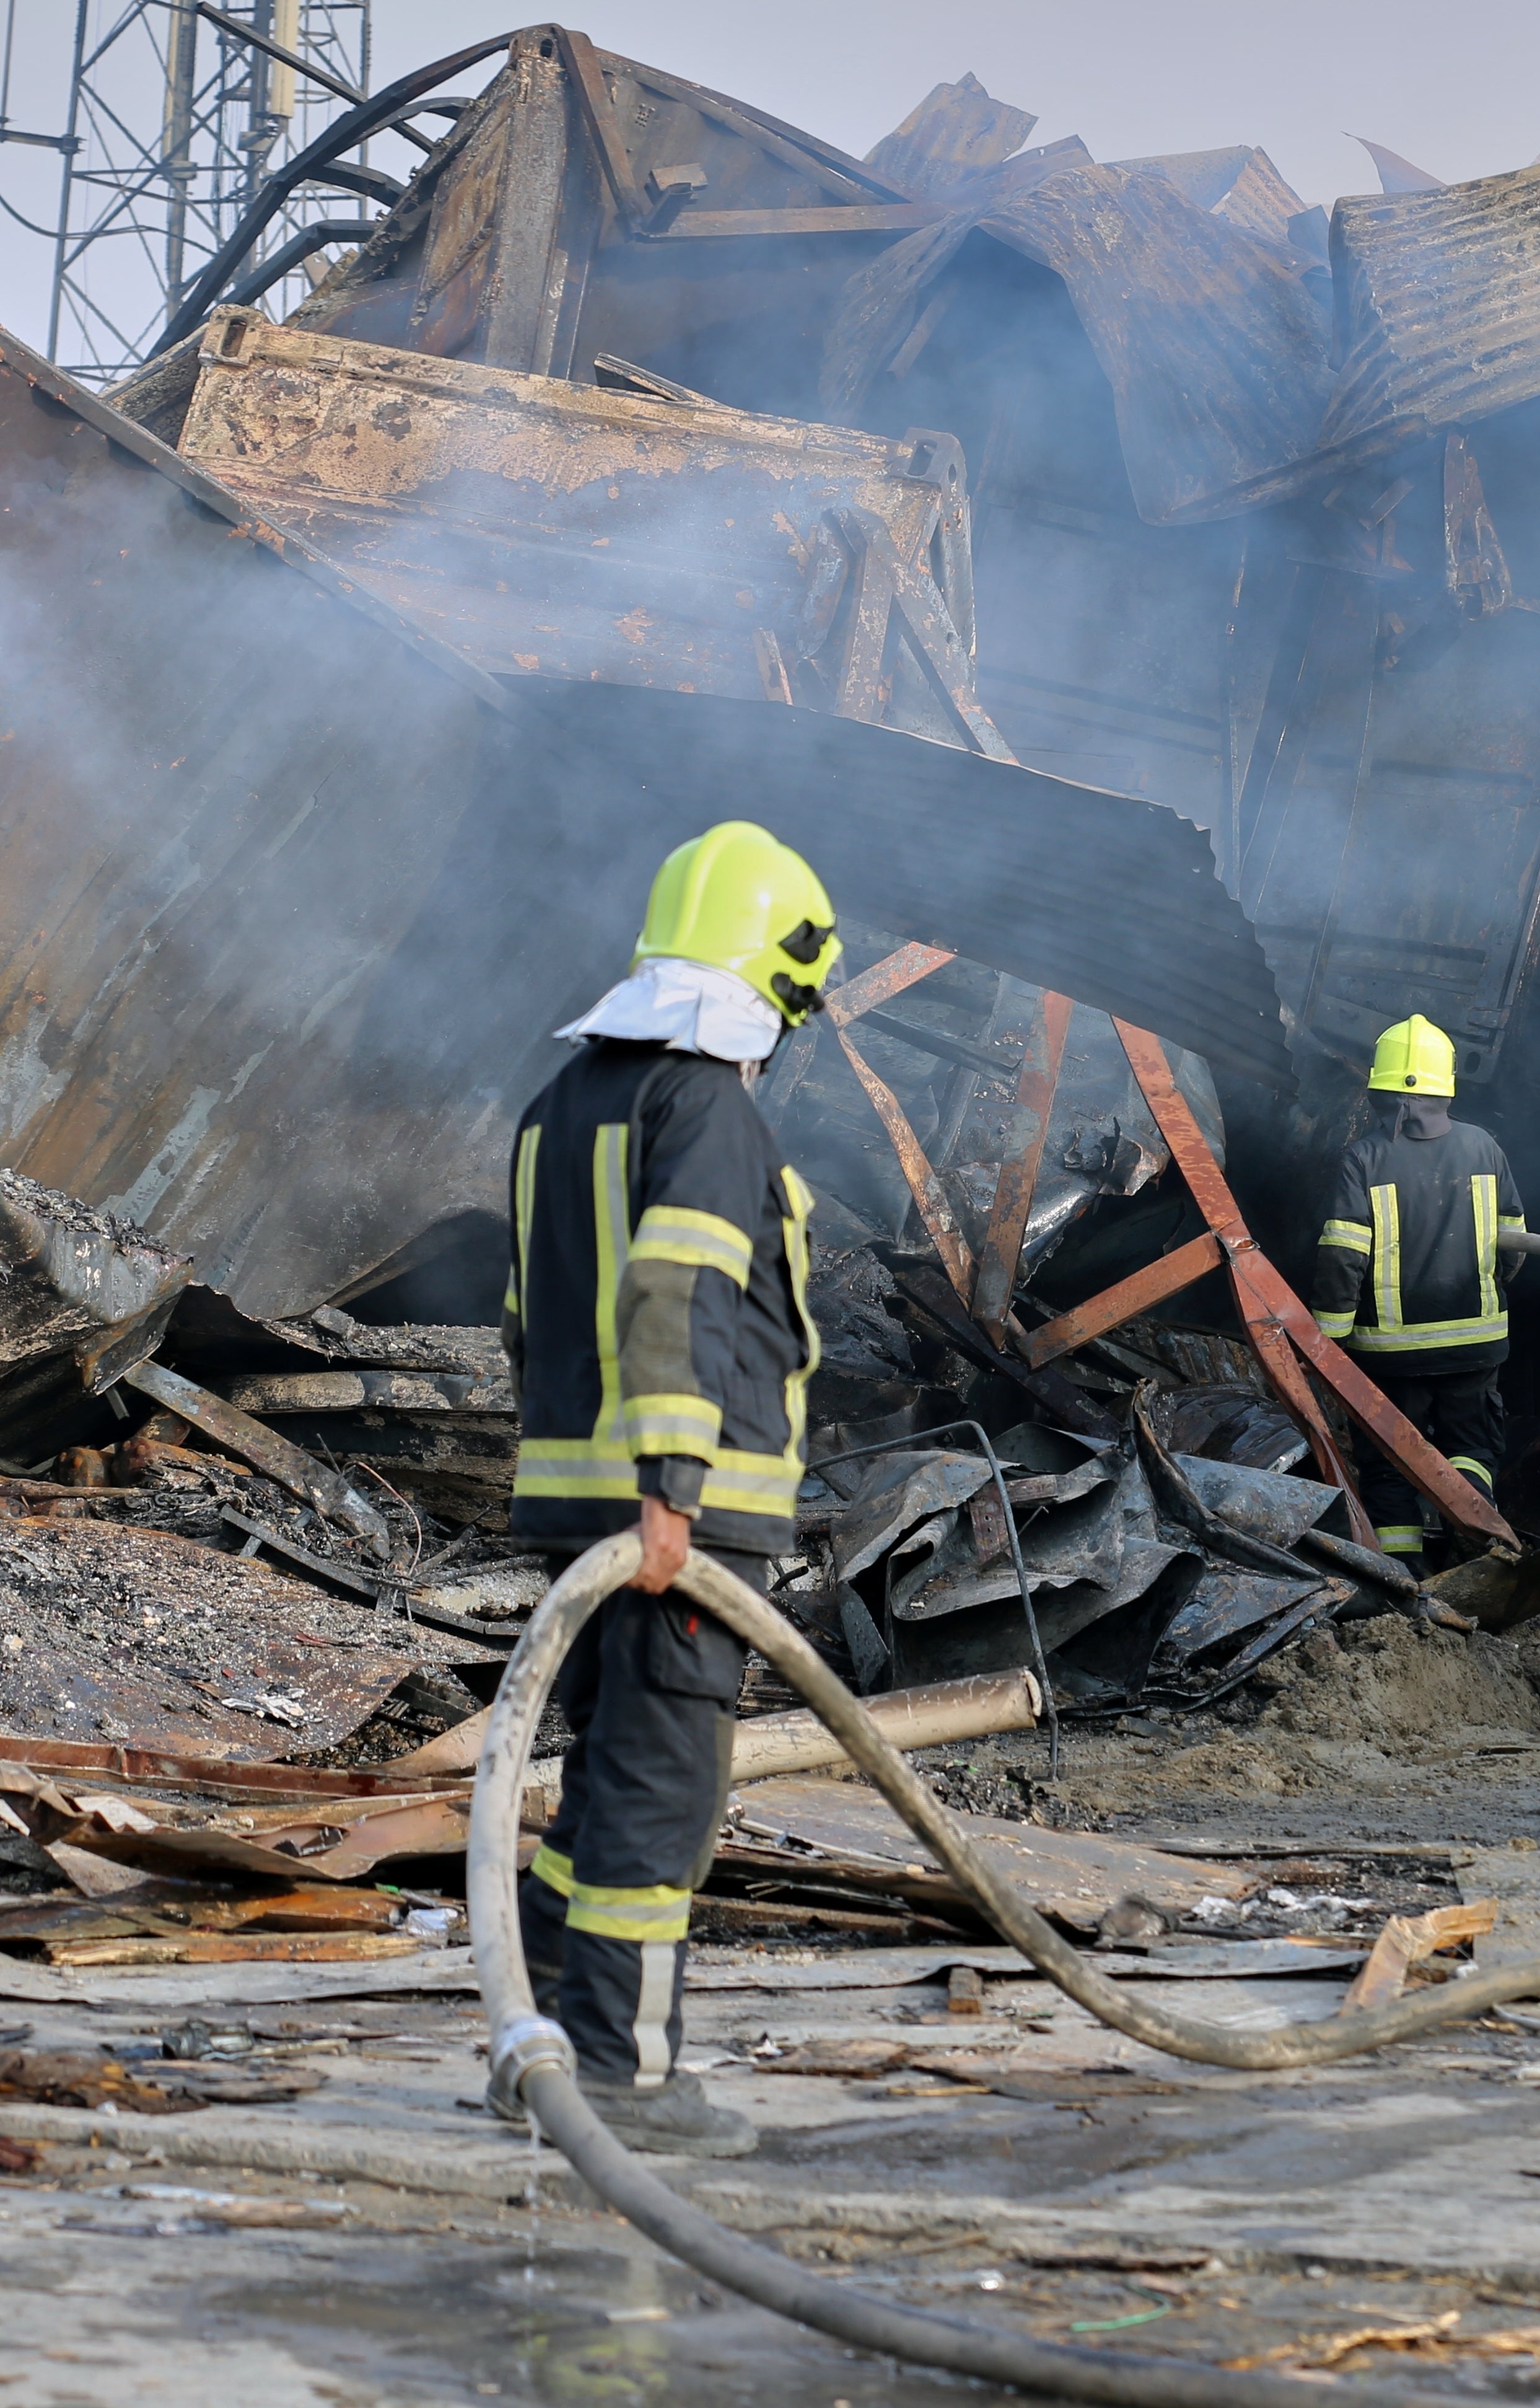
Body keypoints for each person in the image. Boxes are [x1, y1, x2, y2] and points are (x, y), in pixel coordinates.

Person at [496, 821, 836, 2156]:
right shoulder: (705, 1106)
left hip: (579, 1504)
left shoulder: (557, 1103)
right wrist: (671, 1494)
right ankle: (628, 2078)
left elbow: (532, 1315)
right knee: (660, 1796)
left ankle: (536, 2050)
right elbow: (682, 1292)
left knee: (599, 1794)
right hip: (669, 1525)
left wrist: (601, 1485)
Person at [1303, 1013, 1528, 1561]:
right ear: (1443, 1089)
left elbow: (1342, 1257)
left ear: (1387, 1094)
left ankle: (1402, 1577)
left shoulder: (1366, 1157)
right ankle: (1474, 1557)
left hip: (1390, 1355)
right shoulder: (1484, 1148)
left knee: (1389, 1459)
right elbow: (1515, 1244)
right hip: (1476, 1346)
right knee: (1472, 1448)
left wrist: (1327, 1340)